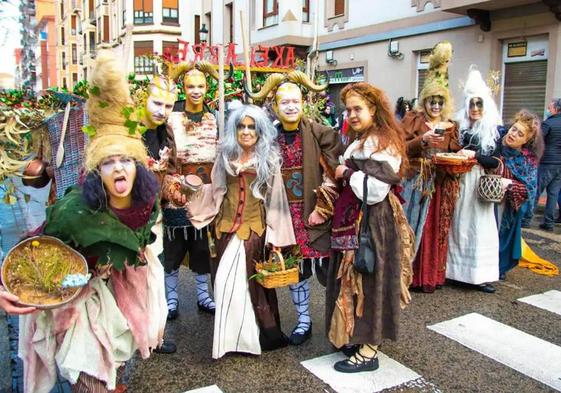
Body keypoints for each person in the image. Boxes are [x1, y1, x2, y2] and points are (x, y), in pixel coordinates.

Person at [2, 50, 168, 393]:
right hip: (82, 296)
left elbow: (143, 237)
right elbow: (33, 245)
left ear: (138, 165)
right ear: (97, 171)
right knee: (90, 373)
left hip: (124, 287)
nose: (119, 168)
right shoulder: (75, 209)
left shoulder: (147, 198)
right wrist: (6, 285)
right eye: (109, 162)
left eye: (126, 160)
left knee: (118, 356)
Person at [187, 104, 295, 358]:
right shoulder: (224, 156)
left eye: (251, 127)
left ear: (260, 132)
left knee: (253, 288)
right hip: (225, 229)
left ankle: (259, 337)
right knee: (223, 283)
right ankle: (228, 341)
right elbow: (215, 190)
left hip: (254, 231)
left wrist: (277, 237)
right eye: (241, 126)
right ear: (234, 130)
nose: (246, 132)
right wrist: (191, 192)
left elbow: (276, 201)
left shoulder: (268, 161)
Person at [246, 71, 344, 345]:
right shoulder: (267, 138)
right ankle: (304, 321)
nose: (290, 106)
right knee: (295, 271)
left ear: (304, 103)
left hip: (316, 213)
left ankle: (339, 321)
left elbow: (333, 173)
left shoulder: (321, 133)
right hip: (284, 216)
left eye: (295, 101)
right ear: (275, 107)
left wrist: (323, 208)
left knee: (329, 270)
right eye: (284, 102)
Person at [326, 82, 413, 373]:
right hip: (357, 220)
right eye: (348, 109)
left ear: (373, 109)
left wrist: (347, 172)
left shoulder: (382, 141)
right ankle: (356, 335)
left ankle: (369, 350)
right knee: (355, 280)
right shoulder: (365, 138)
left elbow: (375, 190)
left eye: (357, 109)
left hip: (373, 222)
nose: (351, 114)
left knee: (371, 281)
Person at [161, 61, 220, 319]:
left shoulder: (214, 117)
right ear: (183, 88)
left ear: (207, 88)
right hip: (178, 190)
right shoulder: (171, 117)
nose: (196, 90)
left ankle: (202, 296)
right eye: (190, 86)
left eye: (200, 86)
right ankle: (171, 299)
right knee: (173, 248)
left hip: (206, 192)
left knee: (202, 249)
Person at [401, 41, 461, 293]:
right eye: (431, 101)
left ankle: (429, 278)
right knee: (412, 227)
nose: (435, 106)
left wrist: (457, 156)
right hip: (415, 183)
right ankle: (408, 275)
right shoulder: (413, 120)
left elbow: (455, 151)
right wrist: (421, 141)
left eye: (439, 102)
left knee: (434, 231)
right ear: (424, 101)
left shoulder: (451, 124)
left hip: (438, 186)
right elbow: (400, 148)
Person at [446, 67, 502, 293]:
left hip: (478, 185)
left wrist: (476, 156)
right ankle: (455, 272)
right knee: (457, 225)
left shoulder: (495, 130)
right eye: (472, 104)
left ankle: (479, 276)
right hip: (459, 182)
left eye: (479, 104)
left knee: (479, 228)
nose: (475, 109)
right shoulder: (458, 128)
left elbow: (496, 161)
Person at [496, 110, 542, 279]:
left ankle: (498, 267)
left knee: (503, 236)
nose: (513, 134)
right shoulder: (495, 144)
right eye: (514, 129)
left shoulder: (527, 160)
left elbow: (529, 188)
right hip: (487, 201)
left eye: (520, 134)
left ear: (526, 140)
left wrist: (510, 185)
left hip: (508, 206)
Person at [522, 98, 561, 231]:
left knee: (535, 191)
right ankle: (549, 223)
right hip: (559, 164)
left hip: (547, 162)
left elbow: (537, 140)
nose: (547, 110)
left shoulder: (548, 124)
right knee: (553, 194)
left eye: (549, 108)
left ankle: (526, 220)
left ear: (556, 109)